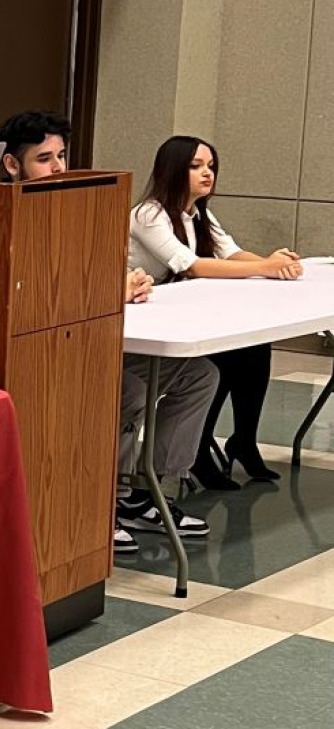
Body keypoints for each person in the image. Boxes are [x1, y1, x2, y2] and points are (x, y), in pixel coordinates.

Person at [0, 112, 217, 551]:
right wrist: (112, 289)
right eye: (44, 158)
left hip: (86, 341)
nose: (59, 167)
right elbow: (37, 291)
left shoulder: (73, 205)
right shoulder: (5, 217)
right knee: (129, 391)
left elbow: (94, 272)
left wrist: (125, 282)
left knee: (199, 375)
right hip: (34, 355)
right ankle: (104, 499)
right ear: (11, 166)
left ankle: (145, 491)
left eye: (61, 156)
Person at [129, 135, 302, 489]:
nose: (207, 174)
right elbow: (189, 265)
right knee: (217, 361)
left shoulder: (198, 214)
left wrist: (278, 263)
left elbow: (232, 253)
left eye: (210, 166)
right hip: (146, 318)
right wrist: (267, 267)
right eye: (196, 166)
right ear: (173, 170)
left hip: (178, 314)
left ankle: (243, 439)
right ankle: (196, 452)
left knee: (255, 346)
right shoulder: (149, 213)